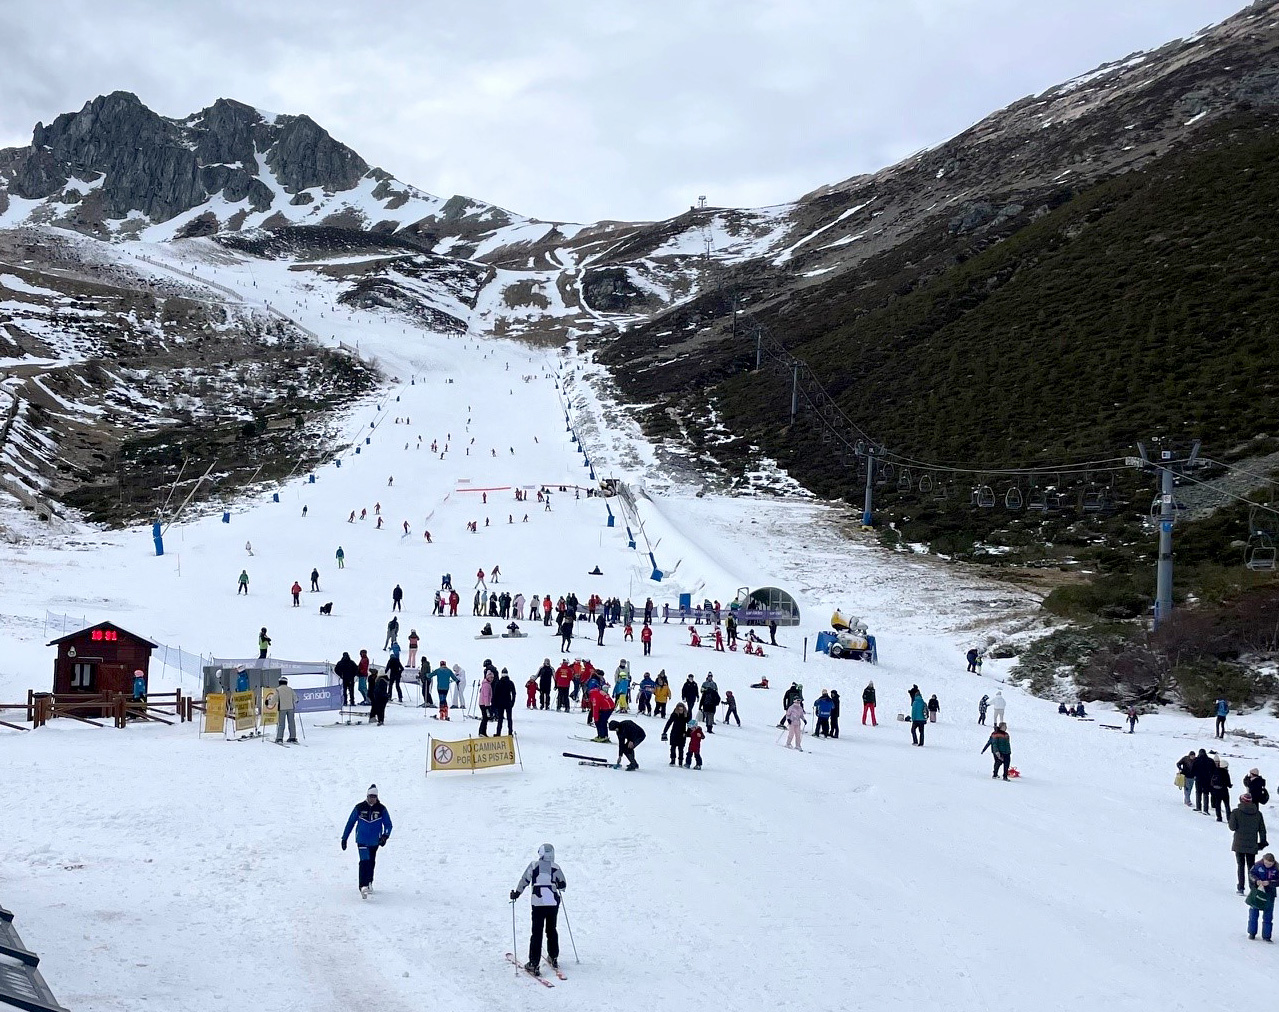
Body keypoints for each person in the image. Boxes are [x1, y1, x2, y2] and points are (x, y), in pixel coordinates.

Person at [510, 844, 567, 974]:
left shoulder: (534, 865)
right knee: (551, 929)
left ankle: (533, 963)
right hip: (553, 902)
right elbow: (563, 884)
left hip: (538, 902)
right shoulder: (555, 867)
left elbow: (524, 880)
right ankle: (553, 957)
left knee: (537, 932)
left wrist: (516, 894)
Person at [341, 785, 392, 899]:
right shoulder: (359, 807)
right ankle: (362, 885)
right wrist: (344, 838)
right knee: (364, 862)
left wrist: (385, 836)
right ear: (367, 796)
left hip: (375, 841)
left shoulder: (381, 809)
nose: (372, 799)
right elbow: (350, 823)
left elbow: (388, 824)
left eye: (374, 796)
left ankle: (369, 882)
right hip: (362, 840)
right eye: (370, 796)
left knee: (371, 862)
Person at [1229, 794, 1269, 895]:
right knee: (1251, 867)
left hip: (1239, 843)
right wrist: (1263, 842)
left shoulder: (1236, 812)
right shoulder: (1258, 813)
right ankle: (1253, 887)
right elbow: (1262, 830)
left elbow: (1232, 827)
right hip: (1252, 843)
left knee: (1240, 865)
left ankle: (1241, 888)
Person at [1247, 853, 1278, 941]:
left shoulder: (1276, 868)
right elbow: (1251, 874)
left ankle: (1267, 936)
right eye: (1266, 863)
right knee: (1253, 913)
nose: (1268, 865)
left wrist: (1270, 883)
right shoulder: (1257, 866)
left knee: (1268, 915)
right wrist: (1256, 881)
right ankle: (1252, 933)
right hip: (1257, 892)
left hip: (1269, 894)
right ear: (1263, 860)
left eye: (1270, 864)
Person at [1191, 749, 1216, 814]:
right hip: (1207, 780)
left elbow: (1193, 770)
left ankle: (1198, 807)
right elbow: (1214, 770)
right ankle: (1205, 810)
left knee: (1198, 793)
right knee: (1206, 794)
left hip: (1198, 779)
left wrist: (1194, 775)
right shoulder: (1210, 760)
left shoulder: (1196, 760)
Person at [494, 669, 516, 735]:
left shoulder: (498, 682)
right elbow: (514, 693)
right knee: (509, 718)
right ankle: (510, 733)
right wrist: (512, 702)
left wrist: (495, 703)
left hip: (500, 703)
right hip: (508, 703)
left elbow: (495, 694)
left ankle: (498, 733)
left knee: (500, 719)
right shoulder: (510, 682)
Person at [478, 671, 496, 735]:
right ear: (488, 677)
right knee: (485, 718)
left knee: (485, 718)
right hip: (484, 704)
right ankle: (482, 732)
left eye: (492, 678)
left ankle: (482, 732)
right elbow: (486, 696)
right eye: (491, 677)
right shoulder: (486, 685)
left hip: (484, 703)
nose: (492, 679)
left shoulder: (487, 684)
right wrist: (487, 706)